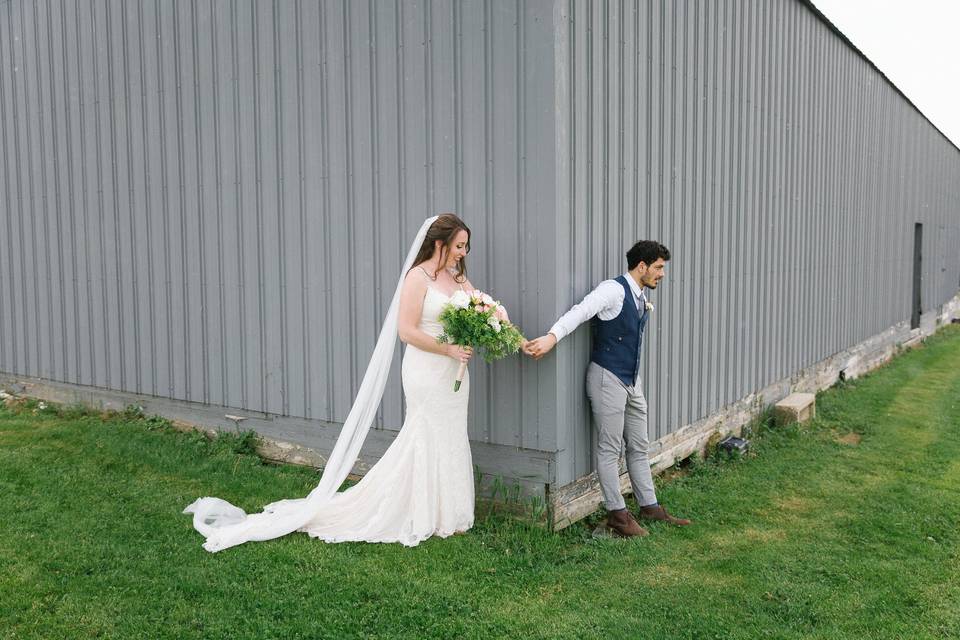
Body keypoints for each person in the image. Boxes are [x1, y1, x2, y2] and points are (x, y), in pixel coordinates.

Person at [184, 214, 490, 551]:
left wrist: (494, 322)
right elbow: (407, 331)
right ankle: (420, 510)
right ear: (439, 244)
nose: (463, 252)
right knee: (424, 434)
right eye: (459, 246)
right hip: (426, 370)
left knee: (450, 433)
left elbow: (480, 308)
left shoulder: (457, 277)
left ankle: (450, 513)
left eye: (465, 246)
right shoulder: (417, 278)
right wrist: (447, 347)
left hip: (454, 372)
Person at [523, 241, 691, 537]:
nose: (662, 274)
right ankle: (617, 515)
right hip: (606, 378)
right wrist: (552, 337)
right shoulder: (612, 290)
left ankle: (649, 505)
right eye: (659, 267)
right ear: (642, 266)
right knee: (610, 447)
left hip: (631, 381)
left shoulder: (640, 296)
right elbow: (580, 311)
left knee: (639, 444)